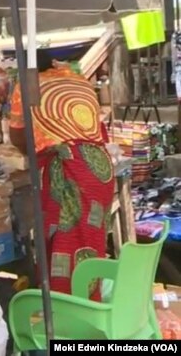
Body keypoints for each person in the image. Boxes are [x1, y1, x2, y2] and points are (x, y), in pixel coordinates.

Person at [9, 52, 115, 300]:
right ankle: (89, 300)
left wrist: (33, 145)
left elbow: (18, 137)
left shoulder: (28, 84)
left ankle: (66, 308)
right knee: (89, 239)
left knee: (63, 241)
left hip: (71, 168)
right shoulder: (76, 77)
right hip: (99, 165)